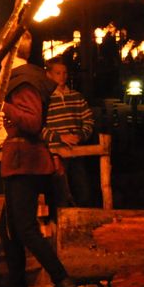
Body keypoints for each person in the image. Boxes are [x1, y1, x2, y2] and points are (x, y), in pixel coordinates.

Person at [0, 32, 82, 287]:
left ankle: (64, 284)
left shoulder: (24, 79)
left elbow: (32, 121)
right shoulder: (20, 78)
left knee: (24, 227)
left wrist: (2, 104)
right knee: (9, 227)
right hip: (20, 160)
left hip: (26, 159)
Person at [43, 57, 95, 207]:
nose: (62, 76)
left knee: (82, 191)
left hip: (76, 151)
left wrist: (80, 136)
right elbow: (40, 126)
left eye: (64, 73)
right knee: (59, 193)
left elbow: (88, 120)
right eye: (58, 73)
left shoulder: (76, 97)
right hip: (55, 153)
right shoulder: (46, 99)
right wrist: (60, 138)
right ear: (50, 75)